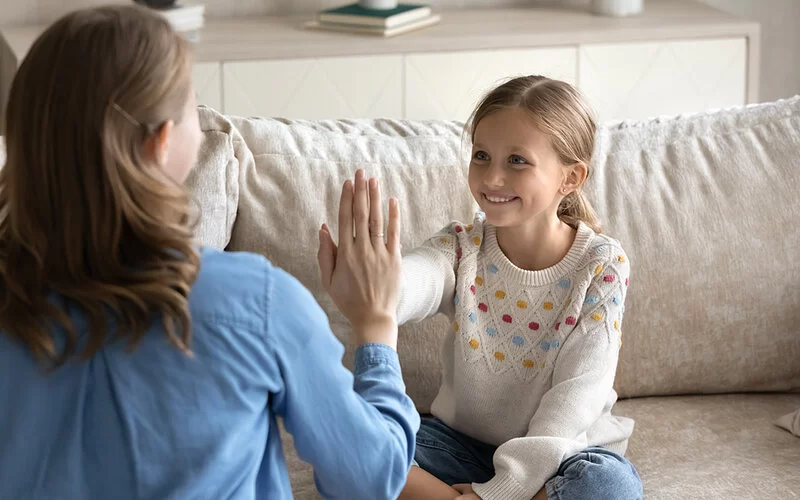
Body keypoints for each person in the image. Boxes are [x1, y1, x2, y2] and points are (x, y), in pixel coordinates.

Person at [0, 6, 418, 500]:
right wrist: (376, 328)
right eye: (192, 109)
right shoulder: (256, 303)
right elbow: (370, 479)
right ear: (160, 144)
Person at [396, 75, 643, 500]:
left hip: (562, 456)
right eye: (482, 156)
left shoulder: (601, 265)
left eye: (516, 161)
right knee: (358, 443)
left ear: (570, 177)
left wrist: (504, 489)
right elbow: (416, 279)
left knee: (608, 485)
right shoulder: (462, 246)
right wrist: (379, 280)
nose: (491, 178)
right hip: (457, 446)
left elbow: (572, 405)